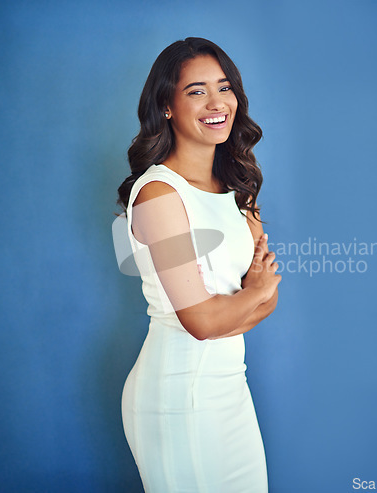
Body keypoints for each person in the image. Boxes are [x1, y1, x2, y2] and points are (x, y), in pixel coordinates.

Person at [116, 37, 281, 493]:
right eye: (196, 91)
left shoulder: (237, 187)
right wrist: (248, 296)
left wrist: (247, 300)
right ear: (166, 105)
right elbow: (202, 321)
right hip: (177, 396)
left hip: (230, 388)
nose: (216, 103)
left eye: (224, 88)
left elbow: (268, 300)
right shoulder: (157, 195)